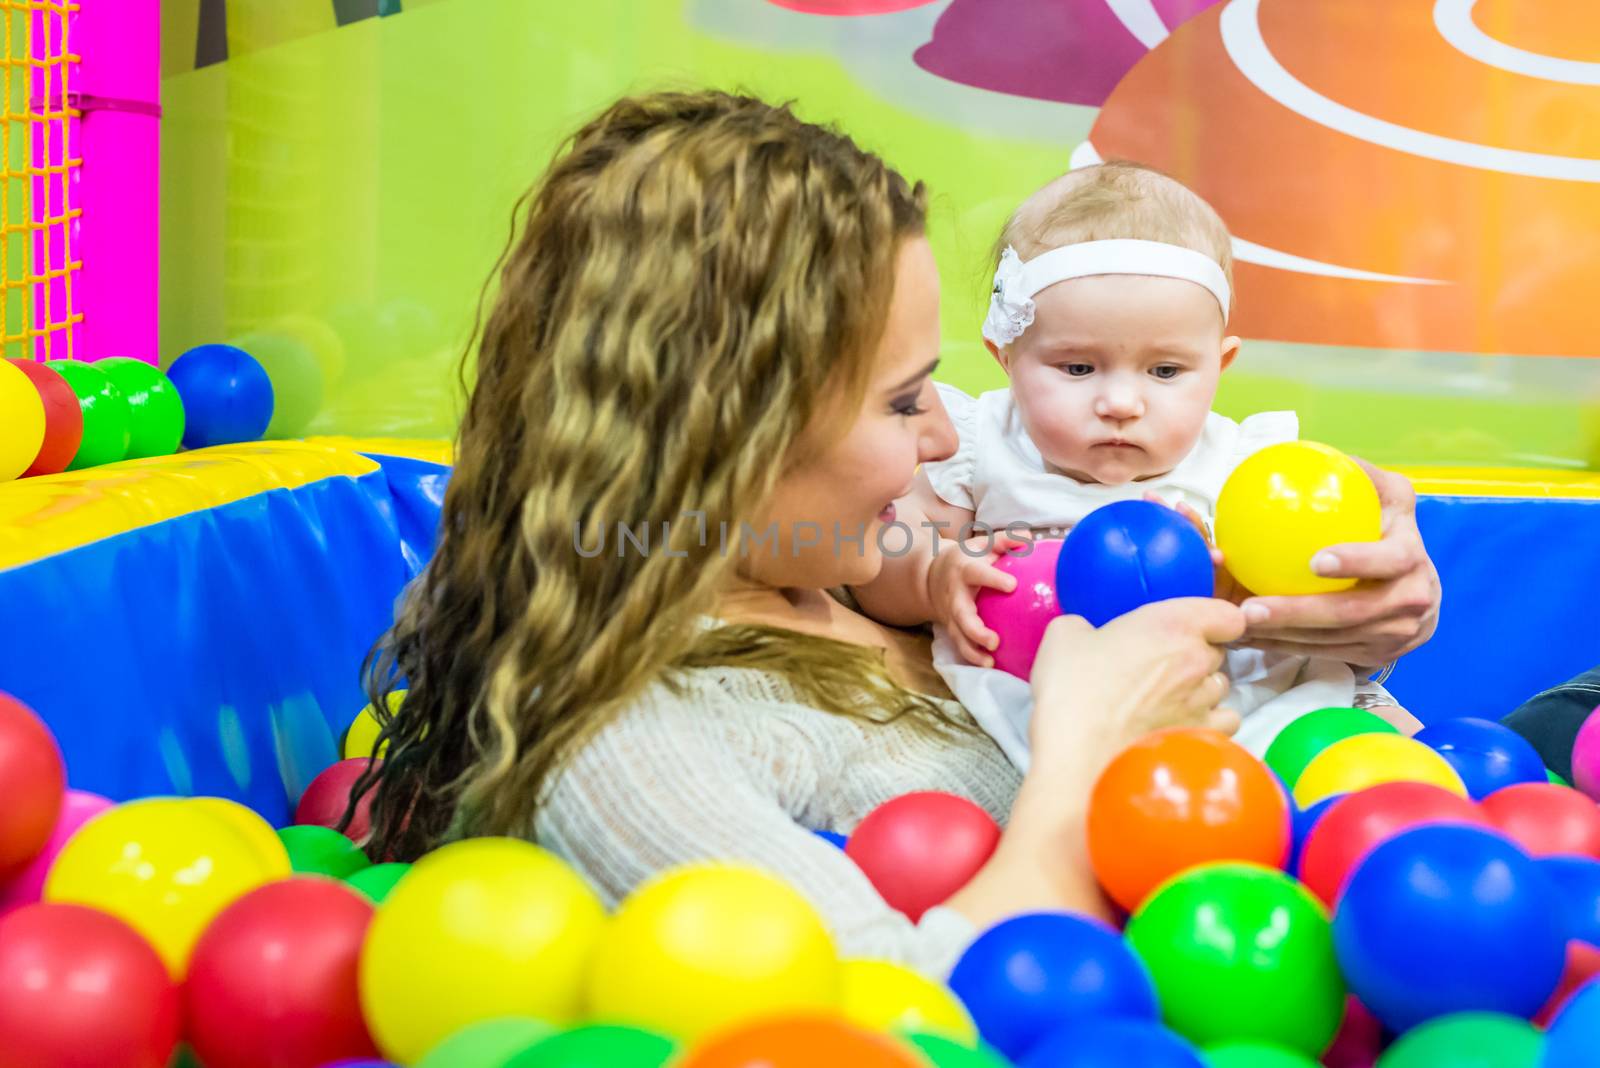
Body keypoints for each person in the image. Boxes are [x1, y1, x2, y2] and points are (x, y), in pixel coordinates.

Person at [356, 90, 1443, 978]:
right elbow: (886, 1019)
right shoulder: (624, 748)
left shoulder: (860, 573)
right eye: (902, 399)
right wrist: (1088, 753)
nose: (942, 438)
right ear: (729, 434)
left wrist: (1341, 616)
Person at [852, 162, 1424, 763]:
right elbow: (888, 554)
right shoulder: (979, 446)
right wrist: (935, 575)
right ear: (1007, 358)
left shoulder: (1247, 466)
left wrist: (1248, 586)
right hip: (1036, 707)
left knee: (1382, 742)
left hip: (1230, 705)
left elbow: (1336, 602)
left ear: (1219, 366)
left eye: (1166, 371)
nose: (1121, 403)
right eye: (1078, 368)